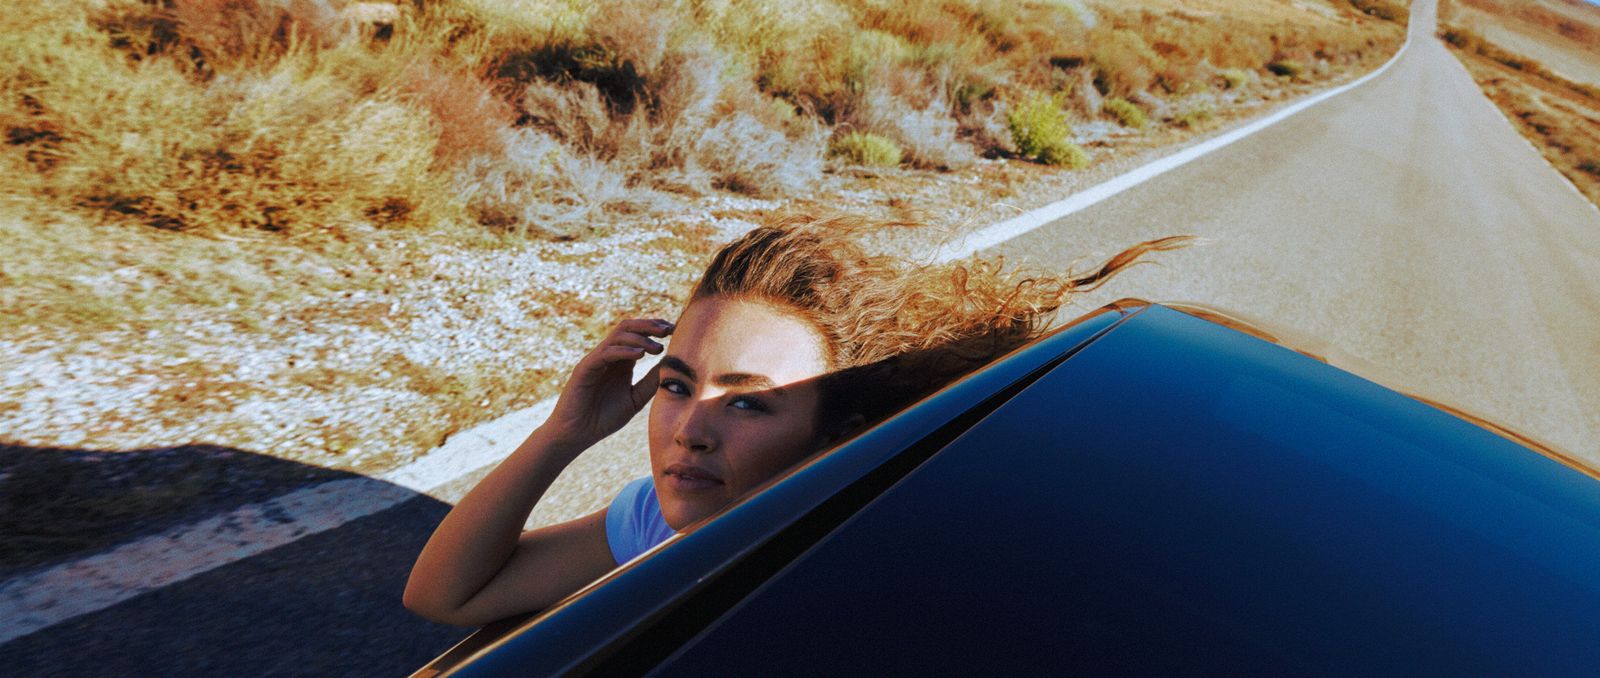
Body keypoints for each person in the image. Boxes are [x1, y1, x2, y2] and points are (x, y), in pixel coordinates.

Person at [403, 213, 1190, 626]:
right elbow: (447, 596)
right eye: (679, 384)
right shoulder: (657, 523)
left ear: (837, 432)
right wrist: (561, 436)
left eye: (748, 402)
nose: (689, 432)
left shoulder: (848, 576)